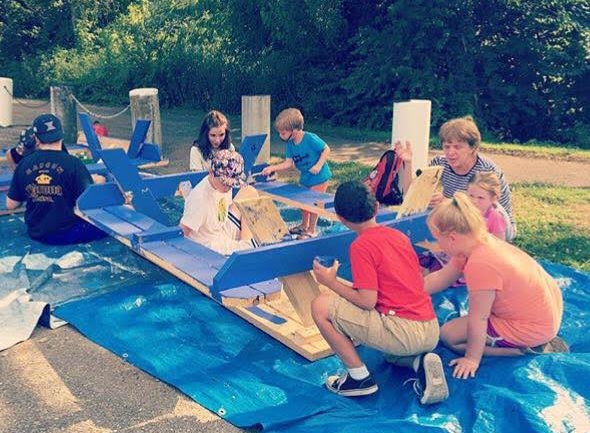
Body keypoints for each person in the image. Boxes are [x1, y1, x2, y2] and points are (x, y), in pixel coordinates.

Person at [310, 181, 448, 405]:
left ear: (341, 218)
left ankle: (359, 379)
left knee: (320, 305)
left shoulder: (361, 246)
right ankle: (418, 363)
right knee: (389, 351)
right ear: (376, 209)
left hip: (402, 332)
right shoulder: (399, 237)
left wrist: (330, 282)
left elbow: (366, 301)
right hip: (430, 329)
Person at [424, 193, 566, 380]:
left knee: (449, 336)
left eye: (437, 240)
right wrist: (408, 291)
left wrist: (472, 359)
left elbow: (479, 318)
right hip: (545, 314)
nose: (438, 245)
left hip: (532, 328)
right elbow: (443, 277)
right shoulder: (475, 242)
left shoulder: (480, 264)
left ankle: (525, 350)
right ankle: (531, 341)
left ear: (451, 238)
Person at [396, 116, 515, 239]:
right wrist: (408, 163)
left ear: (472, 148)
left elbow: (485, 209)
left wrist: (449, 202)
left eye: (457, 147)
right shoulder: (440, 162)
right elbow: (412, 195)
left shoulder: (485, 170)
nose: (451, 152)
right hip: (462, 219)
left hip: (495, 226)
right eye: (447, 146)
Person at [6, 114, 105, 245]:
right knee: (107, 225)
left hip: (36, 232)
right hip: (67, 234)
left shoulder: (24, 164)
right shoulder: (73, 164)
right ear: (61, 135)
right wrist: (100, 182)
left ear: (36, 138)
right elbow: (90, 200)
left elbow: (11, 205)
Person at [261, 108, 331, 238]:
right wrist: (272, 168)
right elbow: (288, 163)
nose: (280, 136)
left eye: (283, 133)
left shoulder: (309, 138)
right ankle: (304, 225)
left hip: (320, 176)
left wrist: (318, 165)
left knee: (314, 202)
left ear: (294, 131)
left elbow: (326, 149)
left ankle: (311, 229)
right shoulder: (290, 144)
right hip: (306, 177)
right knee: (303, 202)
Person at [179, 149, 254, 256]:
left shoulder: (224, 185)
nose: (228, 188)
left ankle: (245, 244)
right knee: (257, 245)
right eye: (225, 183)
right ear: (211, 173)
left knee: (249, 191)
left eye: (231, 184)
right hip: (210, 246)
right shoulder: (200, 199)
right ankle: (246, 246)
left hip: (220, 231)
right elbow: (182, 232)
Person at [467, 172, 508, 241]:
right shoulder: (463, 210)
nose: (474, 201)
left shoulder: (495, 218)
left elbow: (500, 244)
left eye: (480, 198)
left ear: (493, 199)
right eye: (471, 196)